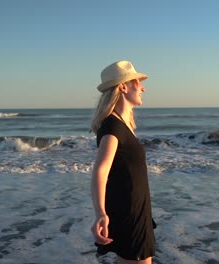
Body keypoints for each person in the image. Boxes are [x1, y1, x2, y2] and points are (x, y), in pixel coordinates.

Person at [90, 60, 155, 264]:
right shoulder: (113, 127)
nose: (143, 87)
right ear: (123, 86)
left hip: (135, 209)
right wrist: (100, 213)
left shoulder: (122, 123)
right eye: (138, 82)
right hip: (129, 213)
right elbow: (100, 171)